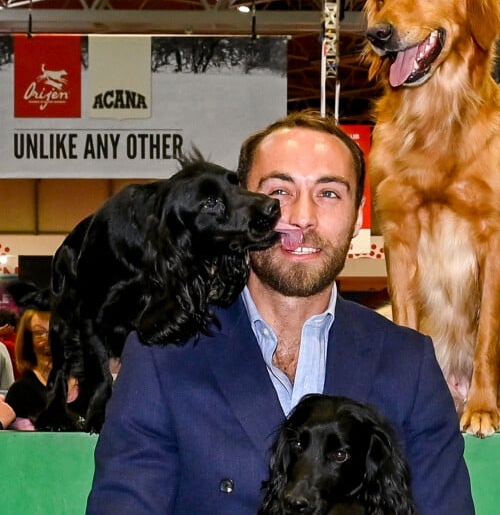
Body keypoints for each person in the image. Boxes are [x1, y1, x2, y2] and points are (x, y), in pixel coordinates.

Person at [87, 111, 475, 514]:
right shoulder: (162, 356)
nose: (301, 217)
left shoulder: (408, 363)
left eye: (329, 194)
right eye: (279, 191)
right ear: (243, 202)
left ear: (358, 214)